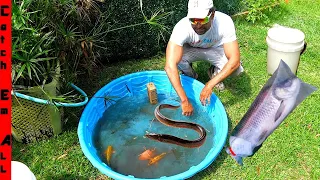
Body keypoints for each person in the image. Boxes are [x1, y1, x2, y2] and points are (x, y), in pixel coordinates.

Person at [165, 0, 244, 116]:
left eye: (202, 20)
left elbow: (235, 60)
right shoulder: (181, 27)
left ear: (212, 14)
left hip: (215, 50)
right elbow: (169, 66)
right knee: (177, 60)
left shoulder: (224, 22)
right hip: (192, 50)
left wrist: (209, 85)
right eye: (193, 20)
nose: (198, 25)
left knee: (236, 69)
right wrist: (184, 100)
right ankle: (191, 76)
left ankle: (214, 73)